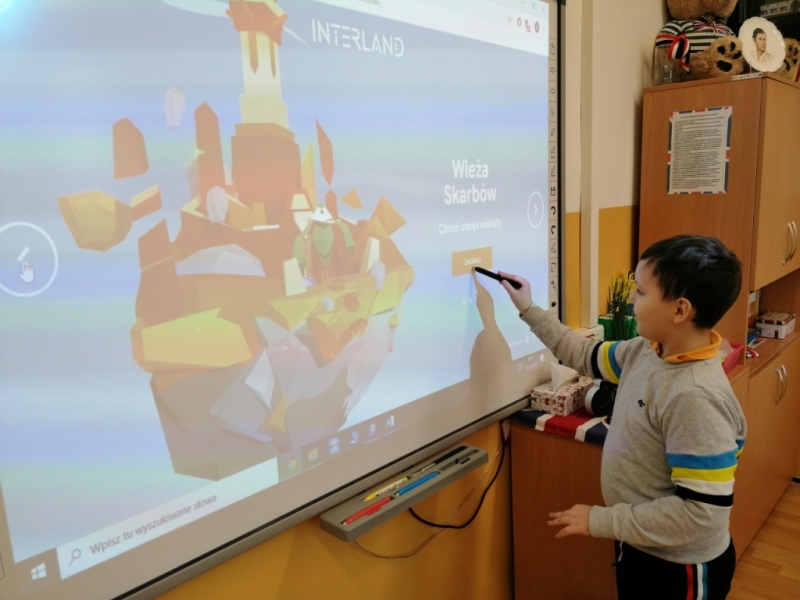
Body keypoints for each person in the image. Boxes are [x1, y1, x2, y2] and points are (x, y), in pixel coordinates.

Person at [499, 234, 746, 600]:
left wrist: (601, 520)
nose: (631, 299)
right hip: (642, 545)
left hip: (680, 568)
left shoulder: (695, 396)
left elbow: (700, 516)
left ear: (680, 311)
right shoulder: (646, 351)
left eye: (641, 292)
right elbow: (583, 354)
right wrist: (529, 308)